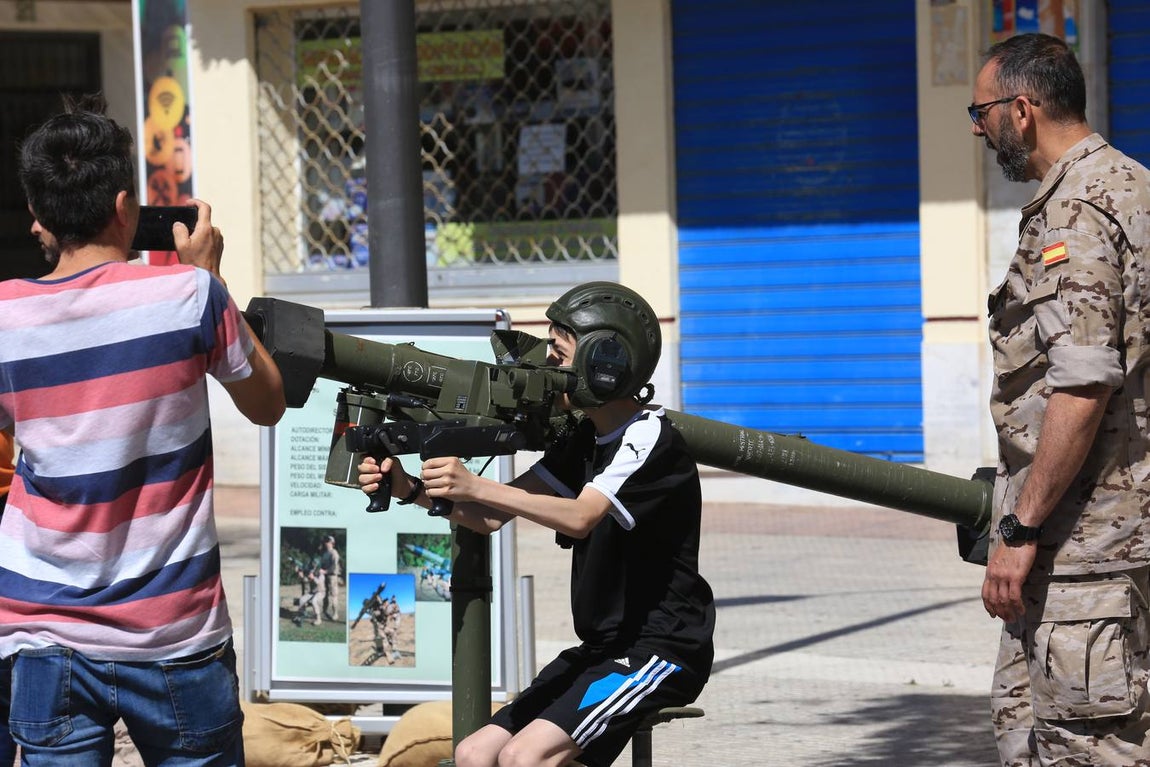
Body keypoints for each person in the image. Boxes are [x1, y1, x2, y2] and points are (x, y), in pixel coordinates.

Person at [0, 96, 286, 765]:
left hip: (42, 630)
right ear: (126, 206)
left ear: (39, 218)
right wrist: (210, 275)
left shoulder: (4, 317)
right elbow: (267, 402)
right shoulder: (188, 296)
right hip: (175, 634)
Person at [358, 281, 715, 767]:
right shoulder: (585, 438)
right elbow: (488, 517)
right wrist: (410, 489)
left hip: (659, 651)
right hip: (601, 648)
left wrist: (475, 485)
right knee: (475, 752)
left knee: (527, 757)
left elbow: (582, 515)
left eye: (559, 351)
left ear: (604, 362)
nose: (548, 364)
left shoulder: (648, 437)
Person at [970, 33, 1150, 765]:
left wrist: (1020, 526)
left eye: (979, 112)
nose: (976, 130)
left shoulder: (1078, 213)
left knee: (1083, 747)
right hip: (1111, 542)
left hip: (1088, 549)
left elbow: (1080, 385)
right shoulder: (1133, 187)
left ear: (1022, 109)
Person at [319, 534, 343, 622]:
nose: (326, 543)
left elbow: (334, 566)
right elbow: (321, 565)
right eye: (326, 541)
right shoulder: (324, 553)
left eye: (328, 541)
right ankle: (324, 611)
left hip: (332, 576)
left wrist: (325, 571)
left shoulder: (334, 553)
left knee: (334, 596)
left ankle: (335, 614)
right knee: (324, 595)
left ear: (332, 543)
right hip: (324, 577)